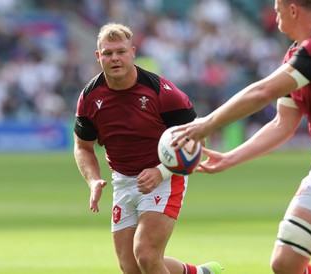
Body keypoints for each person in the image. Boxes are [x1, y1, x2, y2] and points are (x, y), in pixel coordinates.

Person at [171, 0, 311, 274]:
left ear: (293, 10)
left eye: (277, 10)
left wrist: (206, 124)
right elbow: (281, 125)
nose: (273, 17)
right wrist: (229, 158)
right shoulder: (295, 56)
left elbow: (262, 92)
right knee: (284, 264)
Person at [73, 23, 223, 274]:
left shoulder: (163, 93)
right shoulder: (89, 97)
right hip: (122, 181)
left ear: (133, 52)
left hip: (165, 177)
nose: (115, 58)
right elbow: (82, 146)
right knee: (131, 267)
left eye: (121, 51)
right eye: (108, 53)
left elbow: (198, 142)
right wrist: (93, 180)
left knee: (146, 254)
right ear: (98, 57)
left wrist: (161, 172)